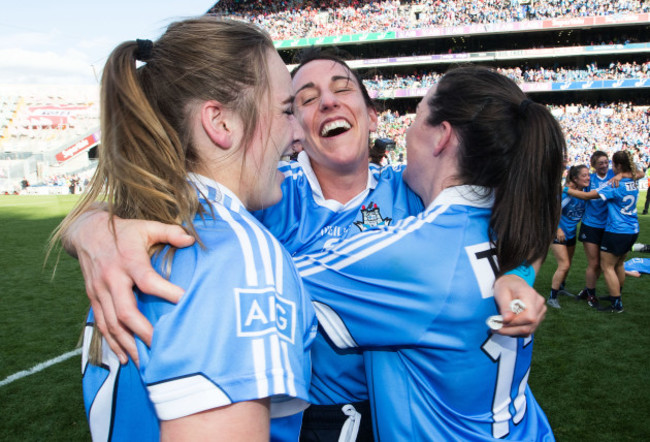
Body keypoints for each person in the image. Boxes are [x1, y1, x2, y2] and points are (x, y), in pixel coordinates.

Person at [60, 49, 547, 441]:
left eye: (342, 89)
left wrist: (520, 273)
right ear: (294, 129)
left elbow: (521, 198)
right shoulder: (265, 194)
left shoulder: (413, 194)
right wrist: (94, 229)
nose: (328, 104)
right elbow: (164, 219)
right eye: (304, 99)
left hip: (394, 418)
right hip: (295, 420)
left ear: (373, 116)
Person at [51, 17, 317, 441]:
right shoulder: (237, 255)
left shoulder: (137, 231)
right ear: (221, 123)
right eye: (286, 110)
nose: (299, 132)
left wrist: (87, 224)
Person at [294, 66, 563, 440]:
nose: (406, 132)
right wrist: (521, 274)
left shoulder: (412, 255)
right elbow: (539, 217)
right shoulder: (507, 218)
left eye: (418, 115)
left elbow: (262, 285)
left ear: (441, 137)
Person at [568, 151, 640, 313]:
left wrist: (565, 190)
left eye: (608, 162)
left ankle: (616, 301)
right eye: (601, 162)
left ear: (616, 165)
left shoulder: (613, 180)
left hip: (614, 228)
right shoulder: (592, 178)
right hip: (599, 226)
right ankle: (596, 294)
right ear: (593, 164)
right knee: (601, 263)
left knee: (608, 266)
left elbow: (588, 196)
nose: (606, 165)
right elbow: (576, 184)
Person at [547, 165, 590, 309]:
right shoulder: (566, 194)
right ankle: (552, 297)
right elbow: (550, 212)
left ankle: (561, 288)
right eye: (584, 175)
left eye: (588, 175)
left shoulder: (584, 193)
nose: (588, 178)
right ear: (575, 179)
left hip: (571, 233)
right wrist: (557, 229)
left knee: (568, 263)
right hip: (557, 233)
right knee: (564, 264)